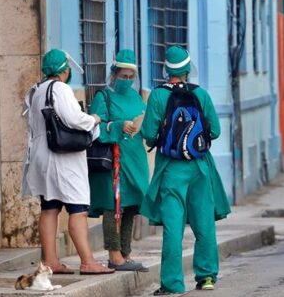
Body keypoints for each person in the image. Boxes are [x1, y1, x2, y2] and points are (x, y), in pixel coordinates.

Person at [139, 46, 231, 295]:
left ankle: (172, 284)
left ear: (166, 70)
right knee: (204, 225)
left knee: (173, 228)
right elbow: (215, 131)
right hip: (201, 167)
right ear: (188, 70)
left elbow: (148, 133)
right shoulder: (201, 94)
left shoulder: (158, 96)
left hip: (171, 169)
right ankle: (207, 277)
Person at [22, 49, 115, 275]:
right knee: (78, 209)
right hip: (64, 158)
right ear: (64, 71)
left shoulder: (35, 91)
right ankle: (88, 261)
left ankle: (51, 261)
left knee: (49, 208)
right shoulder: (61, 89)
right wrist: (93, 119)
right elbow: (74, 119)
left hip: (41, 157)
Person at [88, 50, 150, 272]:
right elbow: (94, 128)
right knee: (111, 205)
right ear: (113, 75)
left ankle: (125, 252)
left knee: (131, 205)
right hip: (112, 160)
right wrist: (118, 125)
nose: (127, 81)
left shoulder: (136, 97)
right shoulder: (102, 97)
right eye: (123, 76)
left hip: (135, 159)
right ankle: (114, 256)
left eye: (130, 77)